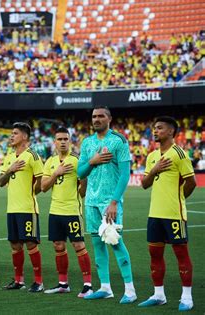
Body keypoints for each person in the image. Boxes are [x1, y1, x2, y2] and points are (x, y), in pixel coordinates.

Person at [77, 106, 137, 303]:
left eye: (101, 116)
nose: (96, 119)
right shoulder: (87, 143)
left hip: (108, 202)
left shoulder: (118, 141)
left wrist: (114, 202)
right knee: (97, 244)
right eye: (94, 116)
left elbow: (125, 174)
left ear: (109, 119)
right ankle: (105, 287)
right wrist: (92, 161)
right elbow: (80, 173)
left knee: (115, 241)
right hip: (91, 201)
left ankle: (130, 290)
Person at [139, 116, 196, 311]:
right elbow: (144, 184)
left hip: (173, 215)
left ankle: (187, 297)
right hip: (154, 214)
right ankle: (158, 294)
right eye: (154, 128)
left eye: (160, 128)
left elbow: (191, 182)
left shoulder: (179, 153)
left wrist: (178, 200)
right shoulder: (152, 156)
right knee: (154, 254)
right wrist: (154, 169)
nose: (155, 131)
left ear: (171, 132)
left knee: (181, 254)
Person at [41, 127, 93, 297]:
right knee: (58, 246)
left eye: (65, 139)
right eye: (59, 139)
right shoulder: (50, 162)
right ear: (54, 142)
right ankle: (63, 283)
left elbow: (83, 193)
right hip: (55, 212)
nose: (62, 142)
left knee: (78, 245)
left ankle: (88, 285)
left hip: (72, 211)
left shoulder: (77, 161)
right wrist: (56, 173)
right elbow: (43, 187)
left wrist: (83, 181)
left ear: (70, 141)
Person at [0, 122, 44, 293]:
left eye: (15, 133)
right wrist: (10, 170)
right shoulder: (9, 157)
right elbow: (1, 182)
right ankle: (19, 281)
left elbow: (41, 182)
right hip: (11, 209)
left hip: (27, 209)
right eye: (11, 133)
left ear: (24, 137)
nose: (11, 136)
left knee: (31, 244)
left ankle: (39, 282)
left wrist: (30, 196)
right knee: (15, 246)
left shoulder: (32, 156)